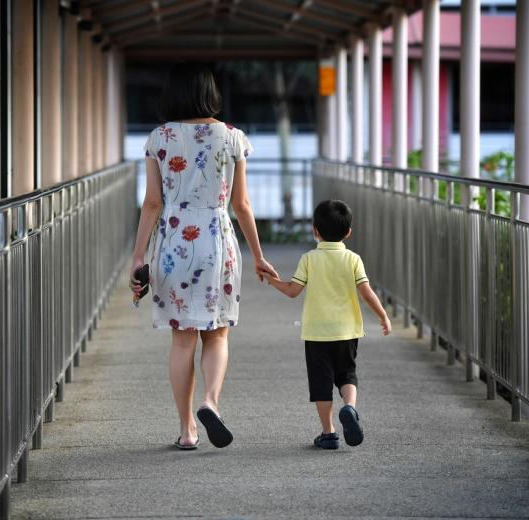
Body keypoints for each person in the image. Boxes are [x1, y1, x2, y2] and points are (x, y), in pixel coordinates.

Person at [129, 62, 277, 450]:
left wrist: (137, 257)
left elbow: (152, 203)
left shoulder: (159, 137)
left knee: (183, 340)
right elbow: (242, 205)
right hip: (217, 242)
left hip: (174, 242)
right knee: (217, 334)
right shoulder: (232, 137)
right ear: (211, 93)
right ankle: (210, 402)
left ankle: (186, 430)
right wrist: (258, 255)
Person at [263, 200, 392, 450]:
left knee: (321, 384)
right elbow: (366, 292)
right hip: (347, 331)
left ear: (315, 231)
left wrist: (272, 280)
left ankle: (328, 433)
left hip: (317, 333)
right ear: (348, 233)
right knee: (347, 374)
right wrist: (383, 315)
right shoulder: (353, 259)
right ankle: (350, 409)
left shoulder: (310, 259)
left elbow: (293, 291)